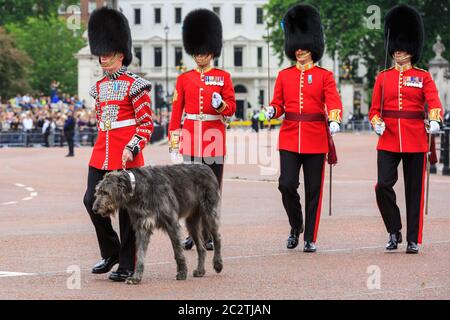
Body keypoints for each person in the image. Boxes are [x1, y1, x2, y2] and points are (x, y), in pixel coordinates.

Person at [265, 4, 343, 253]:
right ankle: (296, 225)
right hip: (289, 136)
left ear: (313, 47)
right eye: (296, 46)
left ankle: (310, 237)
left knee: (313, 190)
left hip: (316, 137)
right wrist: (271, 111)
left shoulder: (324, 75)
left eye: (303, 46)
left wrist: (334, 118)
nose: (299, 50)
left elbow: (333, 100)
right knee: (286, 184)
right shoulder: (284, 75)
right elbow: (278, 104)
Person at [83, 7, 153, 282]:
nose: (103, 58)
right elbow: (102, 120)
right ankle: (111, 251)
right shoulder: (98, 88)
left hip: (126, 156)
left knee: (127, 212)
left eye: (108, 53)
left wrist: (132, 146)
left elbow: (145, 125)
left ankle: (128, 264)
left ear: (120, 54)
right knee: (91, 200)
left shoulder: (135, 85)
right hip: (102, 153)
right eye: (101, 53)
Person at [368, 4, 443, 254]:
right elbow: (374, 111)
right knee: (382, 185)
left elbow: (434, 102)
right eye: (396, 48)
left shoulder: (423, 77)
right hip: (388, 138)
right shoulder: (383, 77)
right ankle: (393, 229)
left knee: (414, 190)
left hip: (414, 138)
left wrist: (434, 119)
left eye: (403, 48)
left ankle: (413, 238)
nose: (399, 52)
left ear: (411, 49)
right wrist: (377, 123)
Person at [168, 9, 236, 251]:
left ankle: (208, 233)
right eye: (196, 51)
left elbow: (231, 111)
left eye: (203, 51)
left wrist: (221, 105)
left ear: (212, 50)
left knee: (211, 191)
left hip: (214, 139)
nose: (200, 55)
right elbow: (177, 112)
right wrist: (174, 141)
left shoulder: (223, 77)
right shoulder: (184, 79)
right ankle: (193, 233)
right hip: (190, 138)